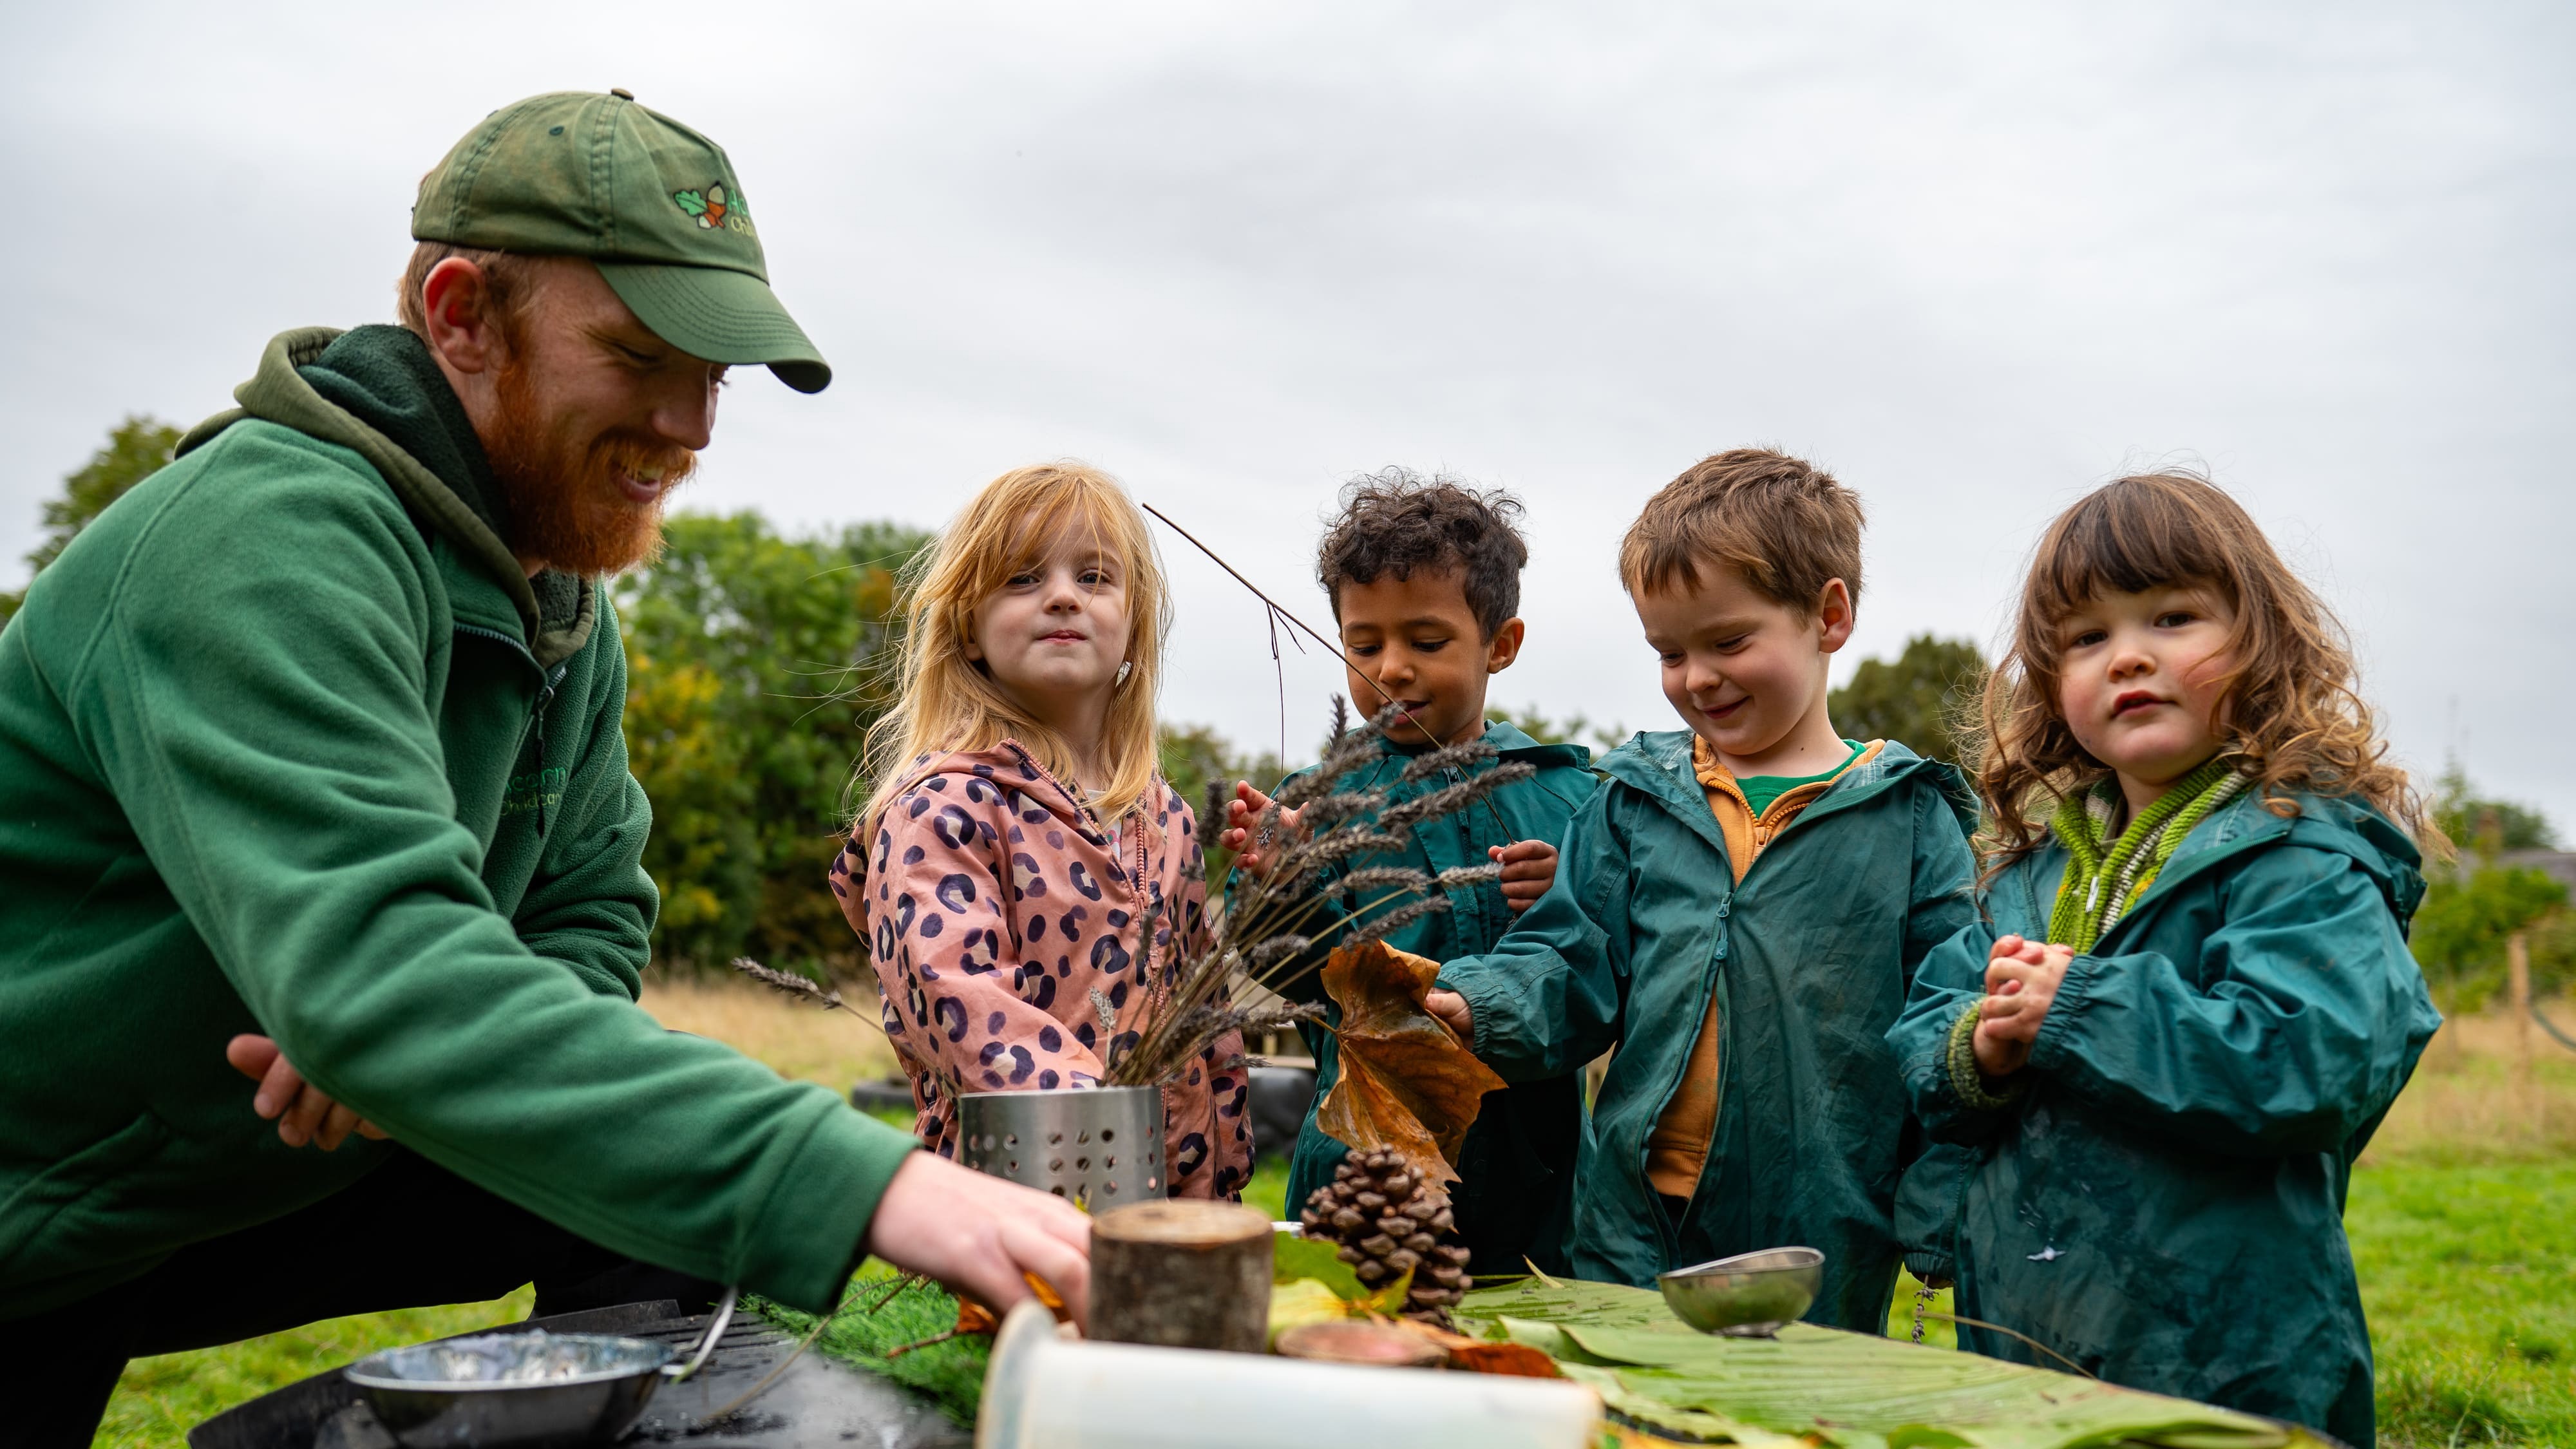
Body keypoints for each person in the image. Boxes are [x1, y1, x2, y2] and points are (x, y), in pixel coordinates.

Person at [0, 91, 1087, 1443]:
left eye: (718, 375)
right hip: (39, 1202)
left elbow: (588, 916)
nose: (692, 425)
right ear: (460, 315)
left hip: (241, 1182)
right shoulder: (262, 542)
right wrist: (870, 1185)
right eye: (639, 355)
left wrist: (398, 1043)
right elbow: (381, 970)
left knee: (655, 1192)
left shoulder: (559, 601)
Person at [1884, 473, 2439, 1446]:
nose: (2129, 656)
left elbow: (2313, 1059)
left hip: (2224, 1349)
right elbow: (1926, 1029)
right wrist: (1982, 1045)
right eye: (2086, 638)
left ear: (2261, 638)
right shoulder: (2029, 872)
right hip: (2021, 1333)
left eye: (2173, 618)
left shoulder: (2300, 850)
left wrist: (2075, 1007)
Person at [1421, 449, 1980, 1327]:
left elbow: (1946, 1018)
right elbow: (1571, 959)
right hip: (1629, 1221)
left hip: (1815, 1232)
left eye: (1729, 642)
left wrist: (1942, 1204)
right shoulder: (1635, 800)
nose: (1698, 677)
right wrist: (1479, 1001)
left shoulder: (1911, 818)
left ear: (1829, 617)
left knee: (1790, 1402)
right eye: (1669, 652)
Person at [832, 462, 1252, 1199]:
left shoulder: (1167, 819)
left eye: (1094, 577)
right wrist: (1110, 1146)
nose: (1062, 595)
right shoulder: (943, 809)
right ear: (967, 629)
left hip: (1171, 1209)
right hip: (1013, 1200)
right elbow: (961, 1006)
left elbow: (1206, 1015)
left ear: (1134, 625)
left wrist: (1218, 1181)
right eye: (1023, 579)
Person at [1219, 471, 1596, 1272]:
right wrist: (1281, 887)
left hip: (1536, 1193)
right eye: (1364, 645)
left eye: (1426, 643)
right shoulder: (1320, 804)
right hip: (1360, 1179)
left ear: (1500, 645)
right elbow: (1296, 974)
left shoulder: (1570, 801)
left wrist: (1566, 890)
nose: (1390, 668)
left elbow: (1599, 977)